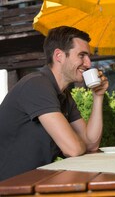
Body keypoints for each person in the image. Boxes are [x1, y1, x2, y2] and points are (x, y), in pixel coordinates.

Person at [0, 26, 109, 181]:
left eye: (88, 57)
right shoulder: (36, 85)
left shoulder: (63, 95)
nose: (88, 63)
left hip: (35, 183)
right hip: (9, 188)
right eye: (82, 56)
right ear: (59, 55)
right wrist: (78, 144)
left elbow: (91, 145)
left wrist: (98, 96)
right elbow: (73, 149)